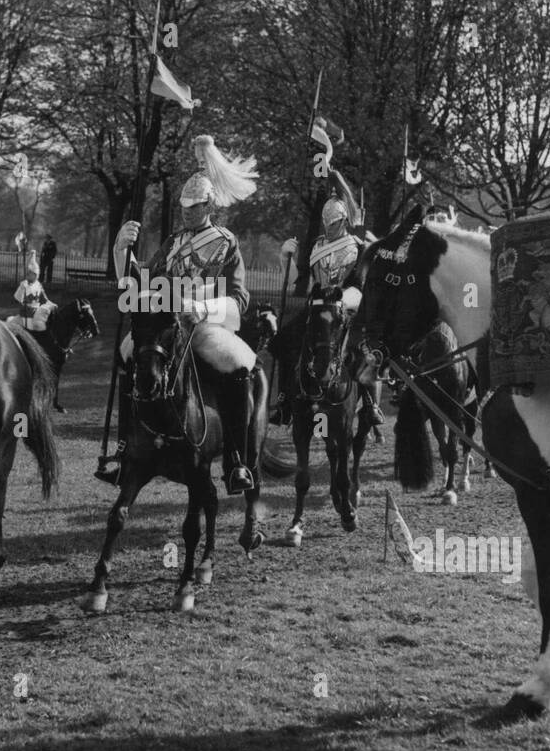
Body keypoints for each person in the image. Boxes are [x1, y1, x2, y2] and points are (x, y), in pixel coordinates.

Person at [98, 135, 260, 494]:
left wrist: (201, 307)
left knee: (237, 364)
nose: (187, 212)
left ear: (209, 205)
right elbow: (144, 281)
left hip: (204, 323)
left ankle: (236, 460)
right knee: (129, 352)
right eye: (184, 207)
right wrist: (120, 250)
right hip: (167, 322)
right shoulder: (172, 242)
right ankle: (126, 450)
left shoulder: (225, 241)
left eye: (194, 207)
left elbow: (239, 297)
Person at [271, 173, 385, 428]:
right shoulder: (316, 246)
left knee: (364, 349)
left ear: (344, 221)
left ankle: (370, 404)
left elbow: (360, 285)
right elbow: (296, 281)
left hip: (347, 307)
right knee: (284, 340)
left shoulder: (358, 246)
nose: (328, 227)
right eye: (325, 223)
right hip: (317, 306)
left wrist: (343, 300)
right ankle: (285, 401)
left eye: (333, 223)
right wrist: (285, 257)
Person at [8, 250, 55, 331]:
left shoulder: (38, 285)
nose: (28, 275)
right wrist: (22, 288)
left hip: (37, 315)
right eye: (28, 273)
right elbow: (17, 298)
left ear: (36, 275)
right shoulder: (24, 284)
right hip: (25, 314)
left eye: (31, 274)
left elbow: (44, 300)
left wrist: (52, 305)